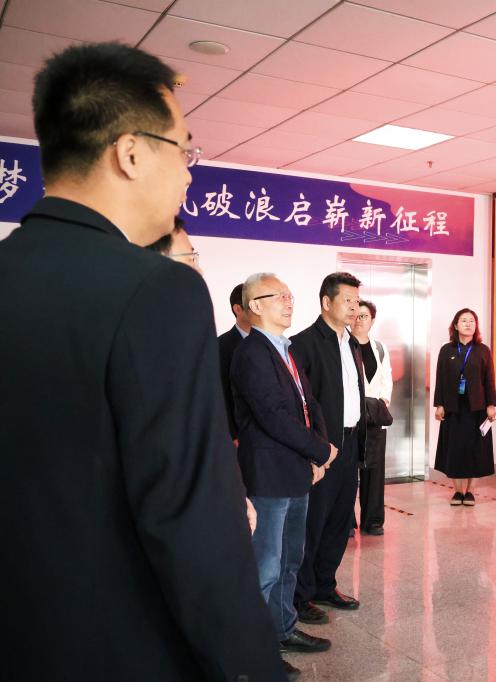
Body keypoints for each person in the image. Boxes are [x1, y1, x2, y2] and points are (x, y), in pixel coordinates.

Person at [0, 42, 286, 680]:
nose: (189, 175)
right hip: (114, 648)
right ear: (129, 153)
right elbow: (192, 518)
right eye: (184, 150)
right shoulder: (158, 291)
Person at [231, 273, 338, 672]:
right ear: (255, 305)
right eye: (279, 296)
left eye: (290, 295)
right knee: (266, 567)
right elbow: (273, 416)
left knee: (291, 559)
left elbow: (310, 404)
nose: (289, 301)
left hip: (296, 470)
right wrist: (319, 450)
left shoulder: (285, 349)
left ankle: (282, 628)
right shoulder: (251, 353)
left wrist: (320, 453)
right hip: (269, 475)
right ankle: (252, 653)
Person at [290, 272, 366, 624]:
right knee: (313, 523)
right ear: (326, 302)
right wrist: (314, 451)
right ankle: (300, 595)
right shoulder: (303, 344)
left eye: (357, 301)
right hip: (323, 450)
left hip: (350, 444)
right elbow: (300, 404)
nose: (354, 307)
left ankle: (325, 584)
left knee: (339, 521)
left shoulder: (352, 343)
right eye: (348, 300)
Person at [433, 308, 496, 506]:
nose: (468, 324)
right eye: (464, 320)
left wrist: (491, 404)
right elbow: (440, 379)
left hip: (477, 408)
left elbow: (489, 380)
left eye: (472, 321)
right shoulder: (447, 350)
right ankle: (457, 491)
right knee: (455, 450)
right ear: (455, 325)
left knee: (476, 450)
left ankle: (470, 492)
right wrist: (439, 404)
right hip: (453, 408)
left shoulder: (483, 350)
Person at [352, 299, 393, 535]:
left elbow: (387, 378)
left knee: (374, 472)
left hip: (375, 417)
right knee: (348, 472)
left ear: (372, 320)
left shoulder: (380, 347)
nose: (360, 320)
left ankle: (373, 520)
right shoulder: (343, 345)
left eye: (364, 316)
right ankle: (346, 522)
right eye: (356, 315)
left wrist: (383, 402)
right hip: (351, 418)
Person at [219, 282, 251, 441]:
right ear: (238, 309)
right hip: (239, 437)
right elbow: (221, 394)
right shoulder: (220, 346)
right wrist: (232, 434)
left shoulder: (275, 343)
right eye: (252, 304)